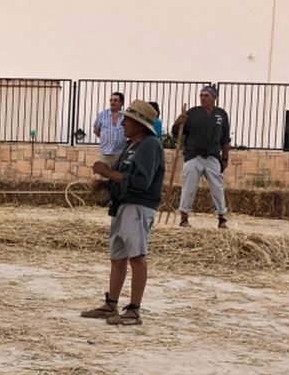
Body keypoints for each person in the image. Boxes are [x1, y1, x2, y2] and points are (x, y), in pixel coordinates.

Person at [82, 100, 163, 326]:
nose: (123, 123)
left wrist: (108, 172)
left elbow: (141, 181)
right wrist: (106, 184)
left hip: (138, 206)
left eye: (128, 119)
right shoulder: (131, 145)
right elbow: (123, 177)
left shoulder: (150, 145)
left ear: (139, 124)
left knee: (137, 257)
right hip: (123, 206)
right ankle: (111, 304)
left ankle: (134, 310)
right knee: (118, 258)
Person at [172, 84, 232, 229]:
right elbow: (176, 132)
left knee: (217, 187)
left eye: (207, 96)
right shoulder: (192, 113)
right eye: (201, 96)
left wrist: (225, 158)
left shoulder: (221, 114)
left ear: (214, 98)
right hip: (193, 155)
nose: (203, 98)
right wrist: (178, 122)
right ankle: (184, 217)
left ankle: (222, 217)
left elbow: (225, 138)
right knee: (189, 187)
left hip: (212, 155)